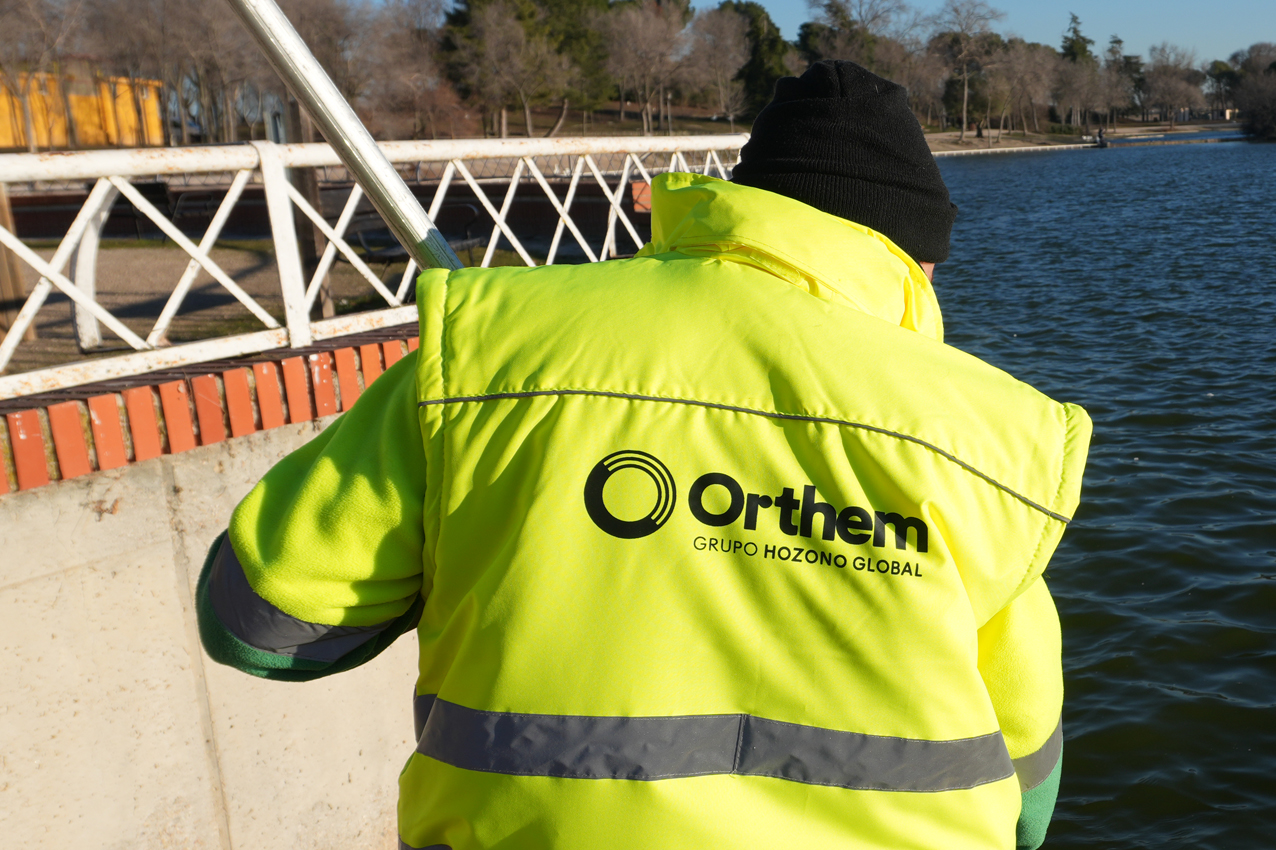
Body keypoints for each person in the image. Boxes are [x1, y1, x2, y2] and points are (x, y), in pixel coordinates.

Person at [196, 60, 1091, 850]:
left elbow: (257, 620)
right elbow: (1027, 784)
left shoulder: (488, 351)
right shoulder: (995, 440)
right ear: (914, 259)